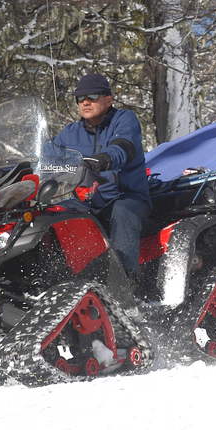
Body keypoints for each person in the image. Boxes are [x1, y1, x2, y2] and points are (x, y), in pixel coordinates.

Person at [49, 73, 151, 278]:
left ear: (108, 99)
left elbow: (124, 145)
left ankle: (125, 283)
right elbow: (46, 156)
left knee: (122, 212)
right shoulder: (71, 133)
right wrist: (13, 169)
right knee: (56, 214)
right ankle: (64, 277)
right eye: (80, 98)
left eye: (92, 96)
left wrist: (105, 158)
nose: (85, 102)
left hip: (126, 197)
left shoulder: (124, 120)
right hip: (88, 203)